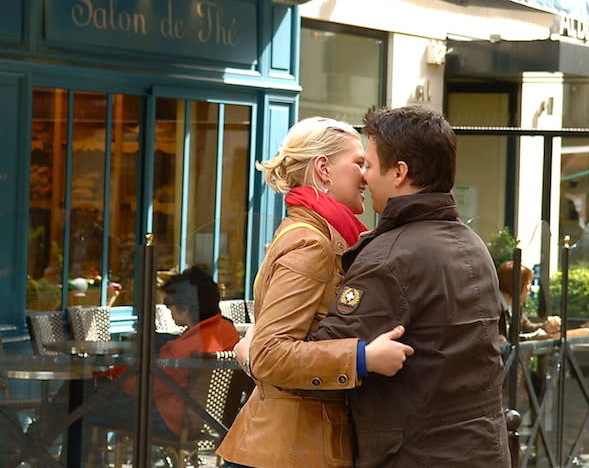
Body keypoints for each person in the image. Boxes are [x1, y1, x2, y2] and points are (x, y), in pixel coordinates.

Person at [311, 105, 510, 467]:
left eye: (368, 165)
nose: (364, 178)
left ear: (400, 173)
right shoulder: (472, 243)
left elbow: (320, 356)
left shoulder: (391, 256)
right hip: (480, 450)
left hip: (414, 454)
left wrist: (256, 346)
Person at [217, 117, 413, 468]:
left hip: (293, 444)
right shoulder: (311, 242)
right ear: (323, 169)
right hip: (290, 449)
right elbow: (270, 353)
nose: (367, 175)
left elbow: (260, 349)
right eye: (358, 163)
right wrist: (362, 358)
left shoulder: (319, 233)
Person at [27, 265, 239, 447]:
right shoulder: (226, 330)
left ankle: (34, 446)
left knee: (78, 400)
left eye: (169, 305)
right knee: (83, 401)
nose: (169, 311)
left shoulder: (182, 351)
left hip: (168, 420)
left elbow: (141, 387)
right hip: (199, 419)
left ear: (184, 308)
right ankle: (44, 447)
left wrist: (110, 376)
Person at [496, 260, 561, 342]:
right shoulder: (493, 308)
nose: (530, 288)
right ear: (516, 284)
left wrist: (546, 326)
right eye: (528, 283)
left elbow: (527, 327)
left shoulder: (515, 306)